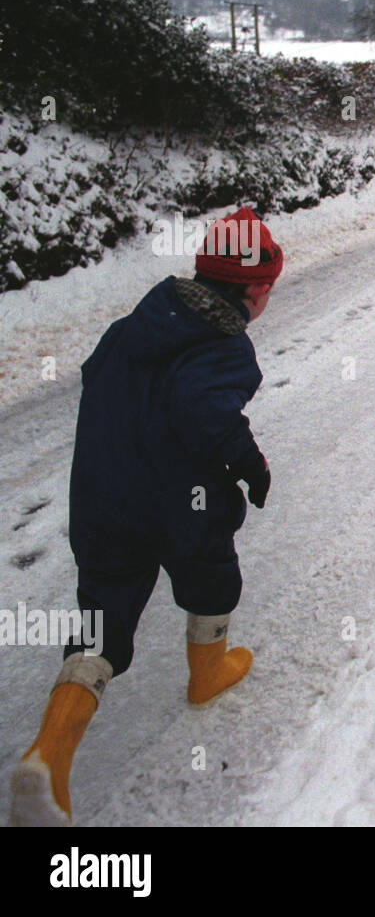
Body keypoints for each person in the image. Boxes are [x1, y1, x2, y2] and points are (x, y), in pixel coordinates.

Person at [9, 206, 283, 826]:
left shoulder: (133, 325)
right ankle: (206, 673)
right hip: (180, 507)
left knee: (102, 620)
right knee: (211, 571)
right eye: (269, 286)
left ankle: (48, 755)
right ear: (256, 288)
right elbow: (201, 409)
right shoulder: (227, 348)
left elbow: (96, 380)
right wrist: (250, 463)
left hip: (102, 500)